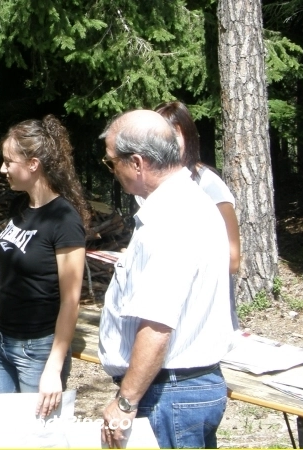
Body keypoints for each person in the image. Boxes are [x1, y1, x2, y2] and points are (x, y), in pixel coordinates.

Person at [98, 110, 233, 448]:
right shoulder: (188, 202)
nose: (112, 171)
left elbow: (158, 325)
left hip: (169, 394)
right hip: (179, 392)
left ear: (137, 163)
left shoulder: (170, 218)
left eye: (112, 162)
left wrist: (126, 401)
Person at [0, 114, 88, 418]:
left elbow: (71, 301)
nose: (2, 168)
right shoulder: (19, 207)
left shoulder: (65, 220)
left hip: (38, 349)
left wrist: (53, 367)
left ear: (33, 164)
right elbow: (7, 283)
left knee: (36, 436)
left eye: (9, 161)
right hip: (1, 342)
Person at [154, 101, 241, 329]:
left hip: (206, 311)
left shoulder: (210, 185)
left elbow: (232, 260)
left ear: (189, 137)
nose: (167, 144)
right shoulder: (152, 189)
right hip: (165, 305)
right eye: (160, 136)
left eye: (174, 135)